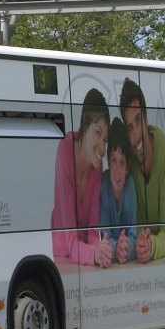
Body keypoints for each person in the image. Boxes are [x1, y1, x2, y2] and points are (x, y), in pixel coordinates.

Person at [52, 88, 113, 267]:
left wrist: (102, 250)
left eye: (106, 139)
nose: (102, 147)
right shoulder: (66, 149)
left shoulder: (97, 165)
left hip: (85, 261)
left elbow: (93, 232)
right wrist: (95, 253)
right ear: (84, 128)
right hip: (63, 259)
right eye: (98, 133)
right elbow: (71, 243)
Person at [119, 76, 165, 263]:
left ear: (146, 118)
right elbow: (132, 225)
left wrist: (151, 245)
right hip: (141, 260)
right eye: (129, 128)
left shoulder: (162, 148)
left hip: (162, 261)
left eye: (138, 120)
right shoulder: (128, 163)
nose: (136, 136)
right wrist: (138, 241)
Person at [100, 117, 138, 264]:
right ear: (108, 162)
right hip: (109, 260)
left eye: (122, 162)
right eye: (114, 160)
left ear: (127, 168)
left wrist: (125, 247)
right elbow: (104, 234)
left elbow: (133, 234)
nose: (117, 169)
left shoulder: (130, 187)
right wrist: (116, 248)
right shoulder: (104, 186)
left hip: (125, 262)